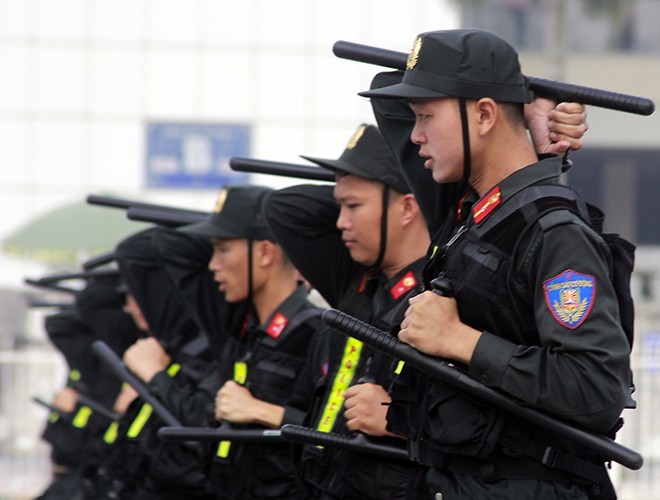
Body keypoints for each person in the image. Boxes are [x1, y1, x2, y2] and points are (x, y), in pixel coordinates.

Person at [360, 28, 631, 499]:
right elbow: (388, 91)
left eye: (425, 117)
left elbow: (597, 390)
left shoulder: (551, 229)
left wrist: (461, 341)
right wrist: (524, 101)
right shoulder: (471, 208)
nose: (415, 135)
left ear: (484, 114)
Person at [265, 124, 433, 499]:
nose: (340, 222)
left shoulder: (440, 293)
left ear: (407, 206)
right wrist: (358, 189)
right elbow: (282, 208)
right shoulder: (355, 282)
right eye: (339, 206)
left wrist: (399, 422)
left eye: (353, 206)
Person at [150, 185, 327, 500]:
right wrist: (229, 220)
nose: (212, 265)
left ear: (264, 252)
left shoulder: (315, 333)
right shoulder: (239, 332)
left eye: (222, 249)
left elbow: (335, 435)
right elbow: (161, 245)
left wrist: (264, 412)